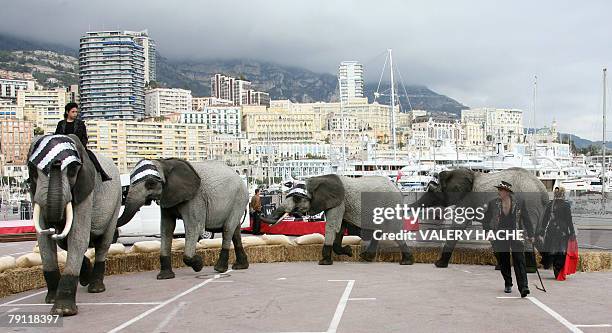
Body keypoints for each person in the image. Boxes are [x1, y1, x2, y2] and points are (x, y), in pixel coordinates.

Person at [483, 181, 534, 297]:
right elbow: (485, 219)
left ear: (507, 192)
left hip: (515, 233)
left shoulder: (519, 202)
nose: (499, 192)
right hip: (500, 234)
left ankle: (524, 287)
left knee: (519, 260)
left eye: (501, 190)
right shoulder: (493, 203)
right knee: (503, 260)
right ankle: (508, 283)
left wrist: (531, 234)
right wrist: (488, 231)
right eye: (499, 189)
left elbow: (526, 218)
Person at [55, 103, 111, 181]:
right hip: (64, 148)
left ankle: (102, 174)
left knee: (91, 155)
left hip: (78, 147)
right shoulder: (61, 124)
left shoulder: (80, 124)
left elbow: (84, 137)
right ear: (67, 112)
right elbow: (57, 136)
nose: (75, 114)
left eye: (76, 112)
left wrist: (82, 146)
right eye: (73, 112)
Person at [537, 186, 576, 279]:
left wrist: (542, 232)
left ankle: (555, 268)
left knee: (551, 251)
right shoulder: (566, 205)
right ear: (563, 194)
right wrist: (572, 232)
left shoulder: (550, 204)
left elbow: (545, 220)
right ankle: (558, 270)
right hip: (562, 231)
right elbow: (569, 220)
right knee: (561, 252)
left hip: (551, 230)